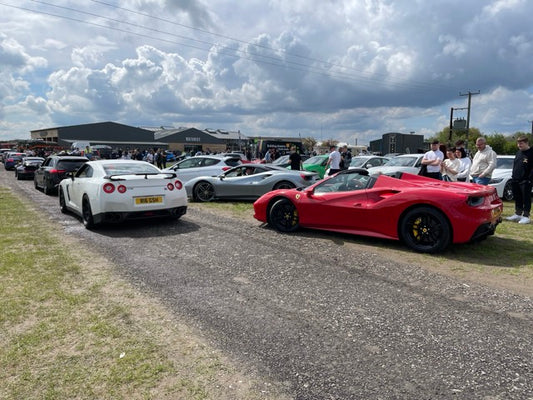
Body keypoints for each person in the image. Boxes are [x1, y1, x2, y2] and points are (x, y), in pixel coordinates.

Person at [506, 136, 533, 224]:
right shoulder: (518, 153)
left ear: (526, 143)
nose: (519, 145)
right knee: (517, 198)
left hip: (526, 180)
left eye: (521, 143)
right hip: (515, 179)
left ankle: (526, 216)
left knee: (526, 198)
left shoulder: (531, 153)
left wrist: (529, 179)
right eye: (518, 143)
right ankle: (518, 214)